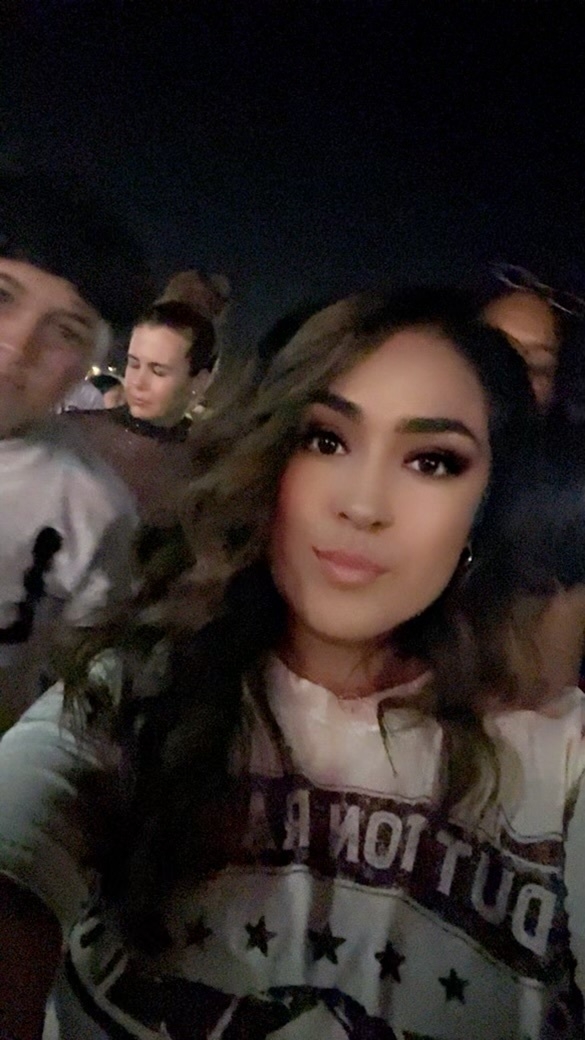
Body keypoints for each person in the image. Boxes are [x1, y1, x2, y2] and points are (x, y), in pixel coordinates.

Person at [2, 287, 583, 1040]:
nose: (362, 505)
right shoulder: (133, 695)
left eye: (432, 461)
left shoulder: (559, 756)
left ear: (487, 506)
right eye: (325, 440)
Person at [0, 164, 150, 728]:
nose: (18, 346)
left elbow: (75, 697)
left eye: (65, 330)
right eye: (2, 296)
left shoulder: (93, 510)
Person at [61, 273, 224, 527]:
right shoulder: (73, 433)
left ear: (199, 381)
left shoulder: (206, 467)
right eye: (134, 364)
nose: (138, 382)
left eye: (158, 371)